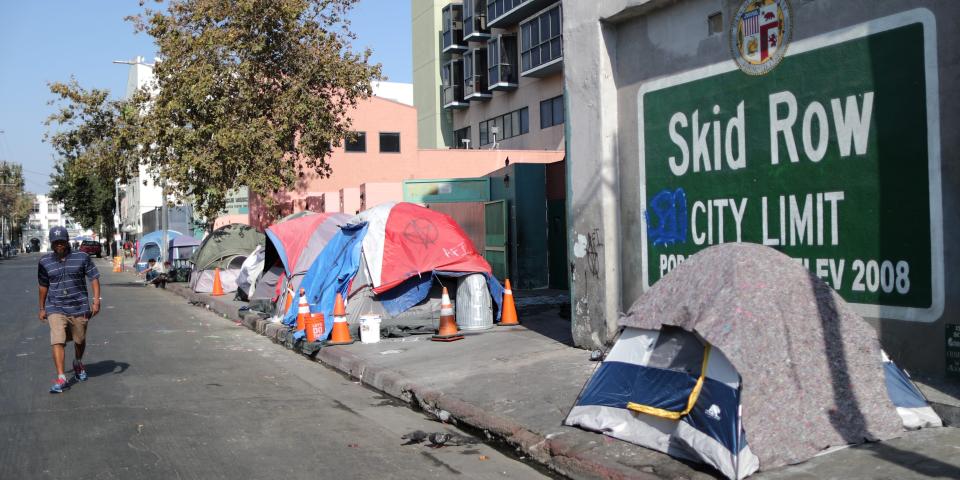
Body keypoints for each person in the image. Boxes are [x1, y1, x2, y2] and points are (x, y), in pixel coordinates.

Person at [38, 226, 101, 394]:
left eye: (62, 241)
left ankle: (78, 362)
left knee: (79, 339)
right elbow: (43, 286)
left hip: (79, 306)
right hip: (55, 306)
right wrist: (42, 307)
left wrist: (96, 302)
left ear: (67, 242)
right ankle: (61, 377)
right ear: (51, 243)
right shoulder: (45, 262)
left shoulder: (82, 257)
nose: (59, 245)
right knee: (57, 339)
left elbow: (94, 277)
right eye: (56, 242)